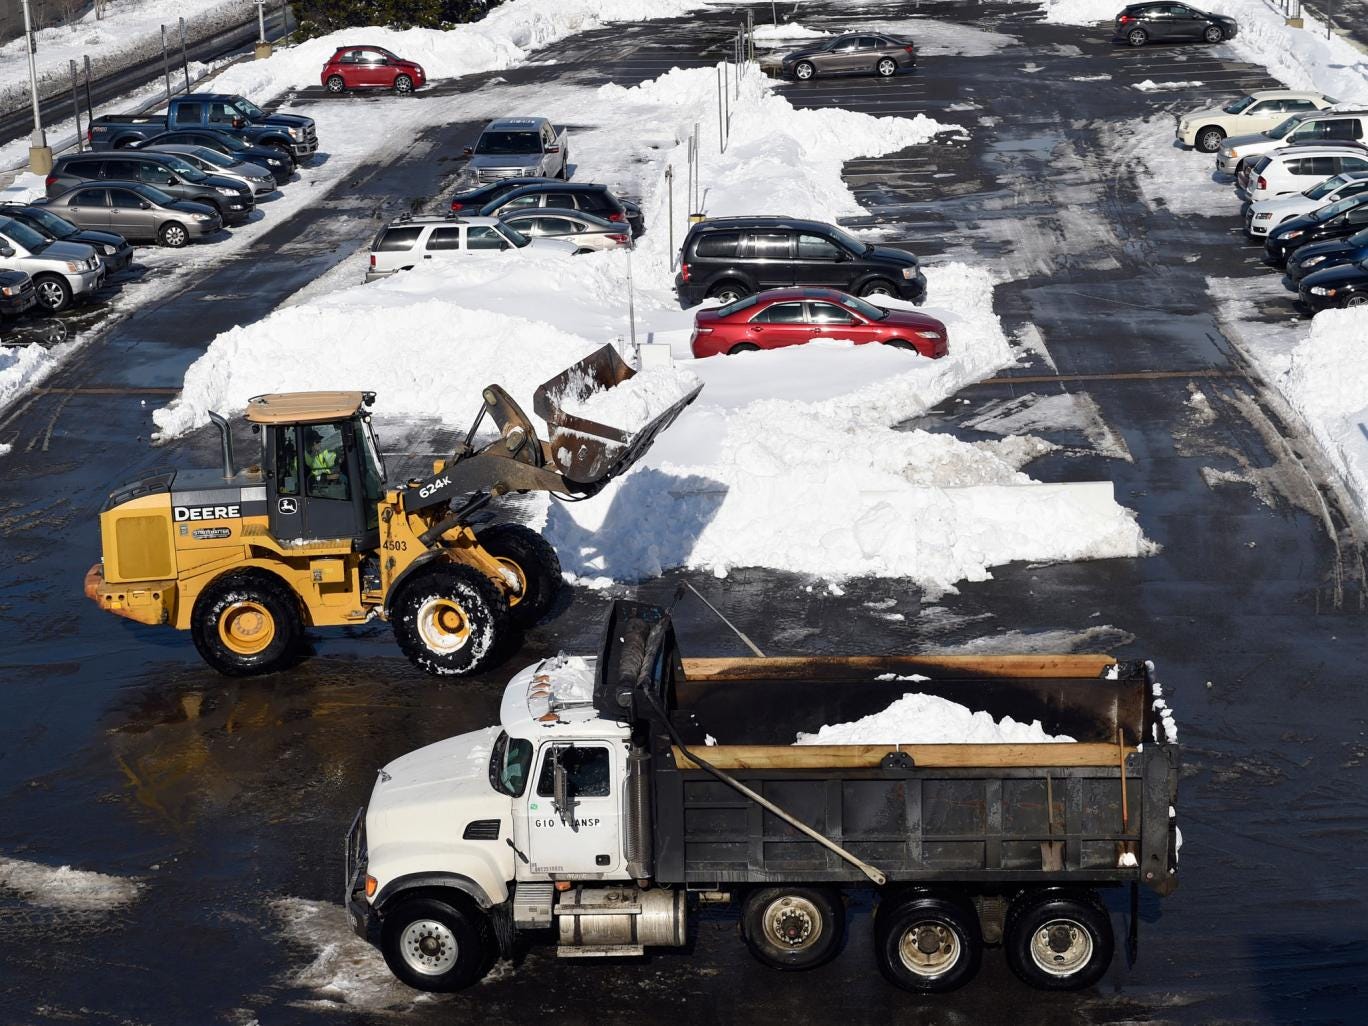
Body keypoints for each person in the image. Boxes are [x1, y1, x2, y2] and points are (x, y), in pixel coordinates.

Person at [305, 427, 346, 498]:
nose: (319, 443)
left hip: (324, 486)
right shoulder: (304, 459)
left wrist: (338, 458)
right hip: (313, 493)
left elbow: (330, 457)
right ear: (311, 443)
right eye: (317, 442)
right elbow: (309, 480)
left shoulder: (318, 454)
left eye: (319, 441)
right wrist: (327, 477)